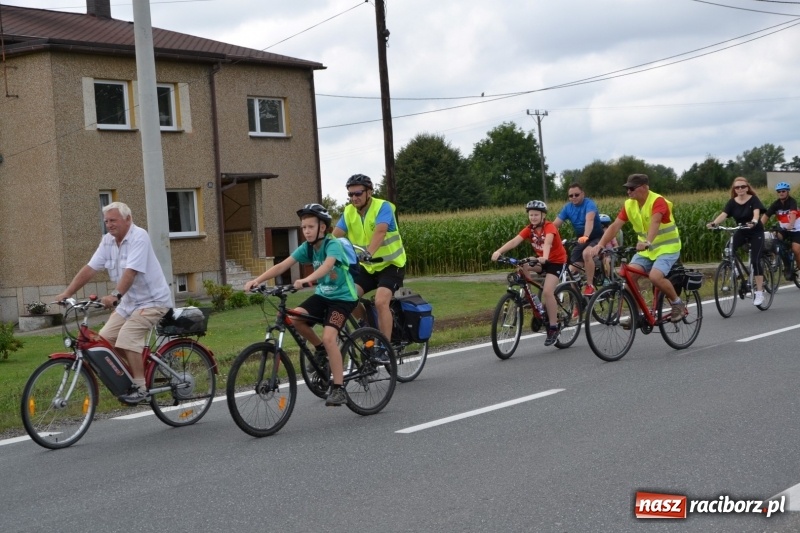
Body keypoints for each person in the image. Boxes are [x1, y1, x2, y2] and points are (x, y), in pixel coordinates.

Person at [55, 202, 173, 404]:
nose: (109, 225)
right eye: (106, 221)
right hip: (128, 303)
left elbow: (131, 271)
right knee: (105, 340)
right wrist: (67, 293)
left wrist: (115, 295)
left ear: (128, 219)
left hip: (152, 302)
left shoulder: (139, 236)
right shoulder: (107, 241)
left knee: (127, 337)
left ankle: (140, 387)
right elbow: (90, 268)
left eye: (113, 220)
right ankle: (140, 368)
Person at [244, 203, 358, 406]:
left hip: (342, 298)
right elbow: (282, 265)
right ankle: (320, 349)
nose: (306, 231)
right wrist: (258, 280)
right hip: (323, 295)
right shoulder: (307, 247)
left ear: (322, 227)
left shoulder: (333, 244)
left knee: (330, 337)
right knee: (295, 318)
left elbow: (327, 265)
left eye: (310, 227)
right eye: (303, 227)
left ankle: (339, 388)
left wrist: (307, 280)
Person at [589, 174, 685, 322]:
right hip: (646, 251)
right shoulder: (629, 204)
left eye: (632, 188)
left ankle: (677, 303)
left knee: (655, 277)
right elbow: (615, 226)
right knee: (629, 277)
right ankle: (640, 314)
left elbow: (656, 221)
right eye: (627, 189)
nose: (628, 192)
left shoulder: (658, 201)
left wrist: (647, 241)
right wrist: (601, 244)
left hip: (667, 248)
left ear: (644, 187)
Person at [332, 174, 406, 361]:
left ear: (369, 192)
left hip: (391, 265)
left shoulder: (383, 207)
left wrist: (369, 253)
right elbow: (335, 236)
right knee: (348, 295)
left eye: (358, 193)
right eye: (350, 194)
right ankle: (366, 325)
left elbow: (380, 231)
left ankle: (385, 346)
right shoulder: (348, 212)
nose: (354, 198)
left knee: (381, 301)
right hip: (368, 268)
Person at [491, 200, 567, 346]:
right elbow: (514, 241)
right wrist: (499, 251)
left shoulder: (549, 227)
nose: (533, 217)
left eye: (536, 215)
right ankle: (528, 296)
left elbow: (548, 243)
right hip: (541, 260)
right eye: (531, 215)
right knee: (521, 265)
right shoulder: (529, 229)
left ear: (543, 215)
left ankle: (553, 327)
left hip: (556, 262)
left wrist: (544, 257)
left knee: (547, 292)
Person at [707, 177, 767, 306]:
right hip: (742, 230)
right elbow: (723, 214)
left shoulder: (753, 199)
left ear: (747, 187)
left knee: (756, 261)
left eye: (743, 187)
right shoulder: (732, 202)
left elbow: (756, 214)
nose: (740, 189)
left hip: (755, 231)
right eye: (737, 187)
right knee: (728, 248)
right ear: (734, 189)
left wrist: (754, 221)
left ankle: (759, 292)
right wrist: (714, 223)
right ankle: (734, 268)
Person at [553, 183, 604, 296]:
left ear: (583, 194)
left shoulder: (589, 204)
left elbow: (589, 221)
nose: (574, 197)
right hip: (581, 239)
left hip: (595, 237)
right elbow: (555, 225)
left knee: (587, 254)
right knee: (571, 271)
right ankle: (578, 299)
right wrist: (547, 236)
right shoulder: (567, 207)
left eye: (576, 194)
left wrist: (586, 236)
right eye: (571, 196)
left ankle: (590, 286)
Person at [760, 181, 800, 279]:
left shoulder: (792, 202)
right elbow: (766, 215)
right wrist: (758, 226)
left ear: (787, 192)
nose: (781, 193)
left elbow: (793, 214)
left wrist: (791, 224)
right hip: (784, 230)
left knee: (796, 249)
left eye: (783, 191)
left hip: (797, 230)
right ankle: (779, 257)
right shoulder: (776, 204)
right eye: (779, 192)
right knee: (773, 236)